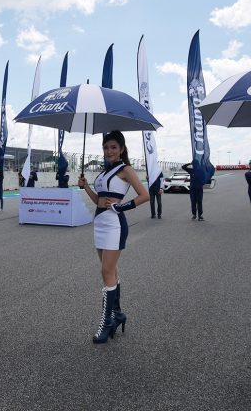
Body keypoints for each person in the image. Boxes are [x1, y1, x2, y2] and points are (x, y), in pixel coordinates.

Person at [78, 131, 149, 344]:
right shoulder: (103, 172)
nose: (109, 151)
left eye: (113, 147)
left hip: (114, 225)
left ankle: (107, 321)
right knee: (111, 271)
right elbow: (99, 200)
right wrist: (86, 187)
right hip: (100, 222)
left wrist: (121, 207)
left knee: (106, 272)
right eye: (106, 147)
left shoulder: (126, 169)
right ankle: (117, 314)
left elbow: (144, 195)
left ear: (122, 149)